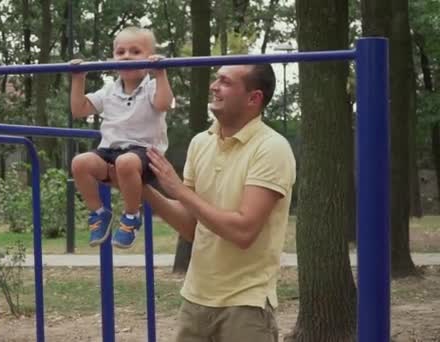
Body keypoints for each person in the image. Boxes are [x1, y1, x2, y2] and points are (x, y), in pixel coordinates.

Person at [143, 64, 296, 341]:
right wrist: (141, 189)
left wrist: (178, 190)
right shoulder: (201, 143)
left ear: (254, 98)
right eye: (216, 79)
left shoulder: (271, 148)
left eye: (225, 81)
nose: (214, 86)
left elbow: (243, 231)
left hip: (245, 304)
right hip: (195, 300)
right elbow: (191, 226)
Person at [70, 26, 174, 249]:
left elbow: (163, 104)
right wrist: (79, 79)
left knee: (125, 162)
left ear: (149, 58)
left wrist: (161, 72)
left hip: (144, 153)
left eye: (135, 52)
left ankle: (131, 216)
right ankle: (98, 213)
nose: (127, 56)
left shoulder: (153, 86)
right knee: (80, 163)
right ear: (113, 57)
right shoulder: (109, 90)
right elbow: (79, 110)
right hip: (109, 151)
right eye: (120, 52)